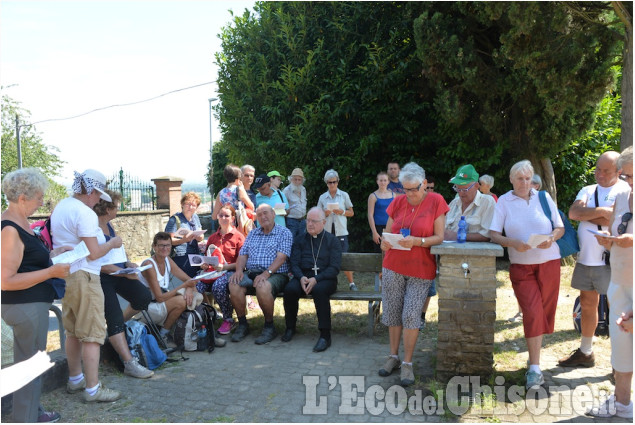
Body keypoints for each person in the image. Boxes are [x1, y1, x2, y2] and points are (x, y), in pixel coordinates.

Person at [1, 168, 71, 422]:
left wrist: (53, 256)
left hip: (31, 305)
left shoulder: (20, 224)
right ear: (22, 197)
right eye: (39, 197)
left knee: (27, 371)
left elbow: (27, 264)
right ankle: (26, 419)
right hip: (25, 307)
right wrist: (51, 271)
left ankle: (32, 414)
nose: (42, 202)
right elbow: (5, 281)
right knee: (28, 373)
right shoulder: (10, 229)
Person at [489, 160, 564, 390]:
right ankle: (534, 368)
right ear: (511, 179)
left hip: (549, 262)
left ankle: (535, 359)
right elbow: (493, 234)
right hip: (521, 266)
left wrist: (551, 238)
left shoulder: (543, 198)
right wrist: (512, 243)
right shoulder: (503, 201)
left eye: (528, 178)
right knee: (532, 312)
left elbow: (559, 227)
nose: (524, 183)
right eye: (519, 178)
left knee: (544, 312)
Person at [51, 169, 124, 402]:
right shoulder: (86, 213)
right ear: (91, 191)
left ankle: (75, 379)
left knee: (72, 331)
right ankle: (93, 389)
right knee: (92, 334)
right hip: (85, 276)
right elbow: (93, 254)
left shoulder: (62, 205)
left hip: (66, 275)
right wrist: (112, 243)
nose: (98, 201)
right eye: (98, 196)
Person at [378, 162, 448, 386]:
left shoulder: (436, 201)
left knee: (411, 315)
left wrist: (418, 241)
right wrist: (385, 243)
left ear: (424, 184)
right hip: (393, 266)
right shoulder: (397, 202)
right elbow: (387, 233)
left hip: (421, 269)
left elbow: (439, 237)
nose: (409, 194)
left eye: (414, 189)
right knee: (393, 313)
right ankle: (393, 357)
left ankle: (407, 363)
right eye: (405, 189)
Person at [559, 151, 629, 369]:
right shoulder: (588, 189)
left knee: (617, 310)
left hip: (612, 261)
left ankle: (620, 364)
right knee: (588, 305)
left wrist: (588, 214)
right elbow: (573, 212)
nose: (599, 173)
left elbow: (616, 218)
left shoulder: (625, 191)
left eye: (605, 170)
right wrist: (602, 213)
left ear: (618, 171)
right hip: (587, 259)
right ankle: (586, 352)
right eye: (597, 169)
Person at [588, 146, 633, 419]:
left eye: (632, 175)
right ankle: (622, 404)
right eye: (625, 176)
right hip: (619, 282)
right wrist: (609, 240)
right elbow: (617, 229)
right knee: (621, 349)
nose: (629, 182)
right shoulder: (622, 196)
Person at [94, 190, 154, 379]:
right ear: (107, 208)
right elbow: (97, 262)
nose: (118, 209)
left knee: (143, 296)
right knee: (113, 318)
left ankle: (118, 326)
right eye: (116, 206)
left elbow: (120, 249)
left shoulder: (108, 225)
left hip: (120, 273)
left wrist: (128, 264)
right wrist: (121, 272)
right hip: (104, 277)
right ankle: (129, 363)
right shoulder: (93, 228)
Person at [228, 204, 293, 344]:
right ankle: (243, 324)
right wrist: (239, 271)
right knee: (234, 284)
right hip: (251, 272)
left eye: (266, 213)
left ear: (273, 214)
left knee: (262, 286)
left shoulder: (284, 233)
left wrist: (266, 273)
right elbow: (243, 254)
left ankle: (269, 326)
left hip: (276, 274)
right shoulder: (252, 233)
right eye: (259, 215)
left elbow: (281, 258)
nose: (263, 217)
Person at [282, 208, 342, 352]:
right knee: (289, 290)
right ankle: (290, 327)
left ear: (323, 222)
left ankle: (325, 335)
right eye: (307, 220)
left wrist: (316, 279)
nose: (309, 224)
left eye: (313, 221)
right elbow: (294, 263)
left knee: (319, 291)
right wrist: (301, 277)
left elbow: (334, 268)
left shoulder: (332, 241)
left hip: (325, 278)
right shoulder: (300, 239)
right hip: (303, 276)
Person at [136, 232, 211, 346]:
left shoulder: (167, 260)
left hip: (158, 302)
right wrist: (185, 286)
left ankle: (194, 328)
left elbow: (188, 280)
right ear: (154, 247)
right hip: (146, 308)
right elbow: (160, 298)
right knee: (183, 300)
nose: (165, 248)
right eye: (161, 245)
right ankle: (163, 334)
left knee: (196, 294)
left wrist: (189, 288)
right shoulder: (149, 265)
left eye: (168, 245)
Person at [196, 204, 245, 335]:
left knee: (218, 286)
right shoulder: (212, 237)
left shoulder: (238, 237)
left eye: (227, 215)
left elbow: (242, 263)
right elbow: (208, 257)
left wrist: (225, 267)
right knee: (195, 287)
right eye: (221, 215)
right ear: (217, 217)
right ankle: (208, 314)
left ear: (233, 218)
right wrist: (204, 265)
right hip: (212, 272)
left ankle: (228, 319)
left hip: (230, 271)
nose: (223, 218)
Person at [318, 169, 356, 291]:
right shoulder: (323, 197)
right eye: (329, 182)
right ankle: (328, 283)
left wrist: (342, 212)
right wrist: (325, 213)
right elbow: (317, 215)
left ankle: (352, 283)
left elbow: (352, 213)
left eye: (334, 182)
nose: (332, 184)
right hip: (327, 233)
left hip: (341, 232)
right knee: (326, 258)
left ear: (338, 182)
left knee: (344, 258)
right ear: (326, 183)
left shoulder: (344, 195)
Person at [445, 165, 496, 243]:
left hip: (476, 254)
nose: (461, 193)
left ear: (476, 186)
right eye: (458, 189)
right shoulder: (454, 203)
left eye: (465, 189)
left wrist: (457, 236)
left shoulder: (487, 202)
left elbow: (488, 235)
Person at [165, 192, 205, 278]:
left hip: (195, 254)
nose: (190, 207)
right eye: (188, 204)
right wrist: (183, 240)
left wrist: (200, 237)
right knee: (186, 282)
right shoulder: (174, 219)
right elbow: (167, 241)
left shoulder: (195, 217)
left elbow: (201, 234)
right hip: (181, 256)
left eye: (193, 205)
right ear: (182, 204)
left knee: (196, 281)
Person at [367, 171, 394, 251]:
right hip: (378, 228)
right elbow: (370, 215)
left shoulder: (393, 195)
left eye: (385, 180)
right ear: (377, 181)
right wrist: (374, 232)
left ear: (388, 181)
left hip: (391, 227)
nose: (383, 182)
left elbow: (396, 214)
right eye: (381, 180)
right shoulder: (373, 196)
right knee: (379, 253)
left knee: (392, 251)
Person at [282, 168, 308, 240]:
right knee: (291, 242)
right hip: (291, 221)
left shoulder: (303, 189)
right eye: (295, 179)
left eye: (299, 179)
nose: (297, 181)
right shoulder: (286, 191)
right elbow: (282, 208)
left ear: (302, 181)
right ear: (291, 179)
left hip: (302, 221)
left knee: (302, 243)